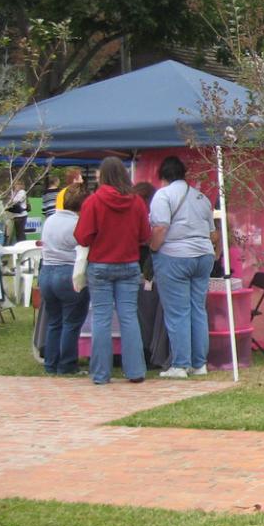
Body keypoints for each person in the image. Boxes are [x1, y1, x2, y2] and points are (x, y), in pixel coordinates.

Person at [75, 156, 151, 385]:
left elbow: (82, 236)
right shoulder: (137, 202)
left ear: (103, 176)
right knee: (129, 317)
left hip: (100, 264)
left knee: (101, 318)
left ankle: (100, 374)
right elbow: (145, 235)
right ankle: (135, 371)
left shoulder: (93, 201)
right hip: (128, 264)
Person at [149, 156, 218, 379]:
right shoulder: (201, 197)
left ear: (162, 176)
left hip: (175, 255)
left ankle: (180, 364)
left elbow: (160, 228)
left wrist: (153, 248)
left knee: (178, 311)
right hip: (203, 255)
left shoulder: (163, 195)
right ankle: (199, 364)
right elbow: (213, 233)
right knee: (198, 309)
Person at [39, 183, 91, 376]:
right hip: (68, 272)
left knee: (54, 321)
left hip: (47, 272)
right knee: (71, 322)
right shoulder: (78, 223)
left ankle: (51, 363)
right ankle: (67, 364)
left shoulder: (50, 220)